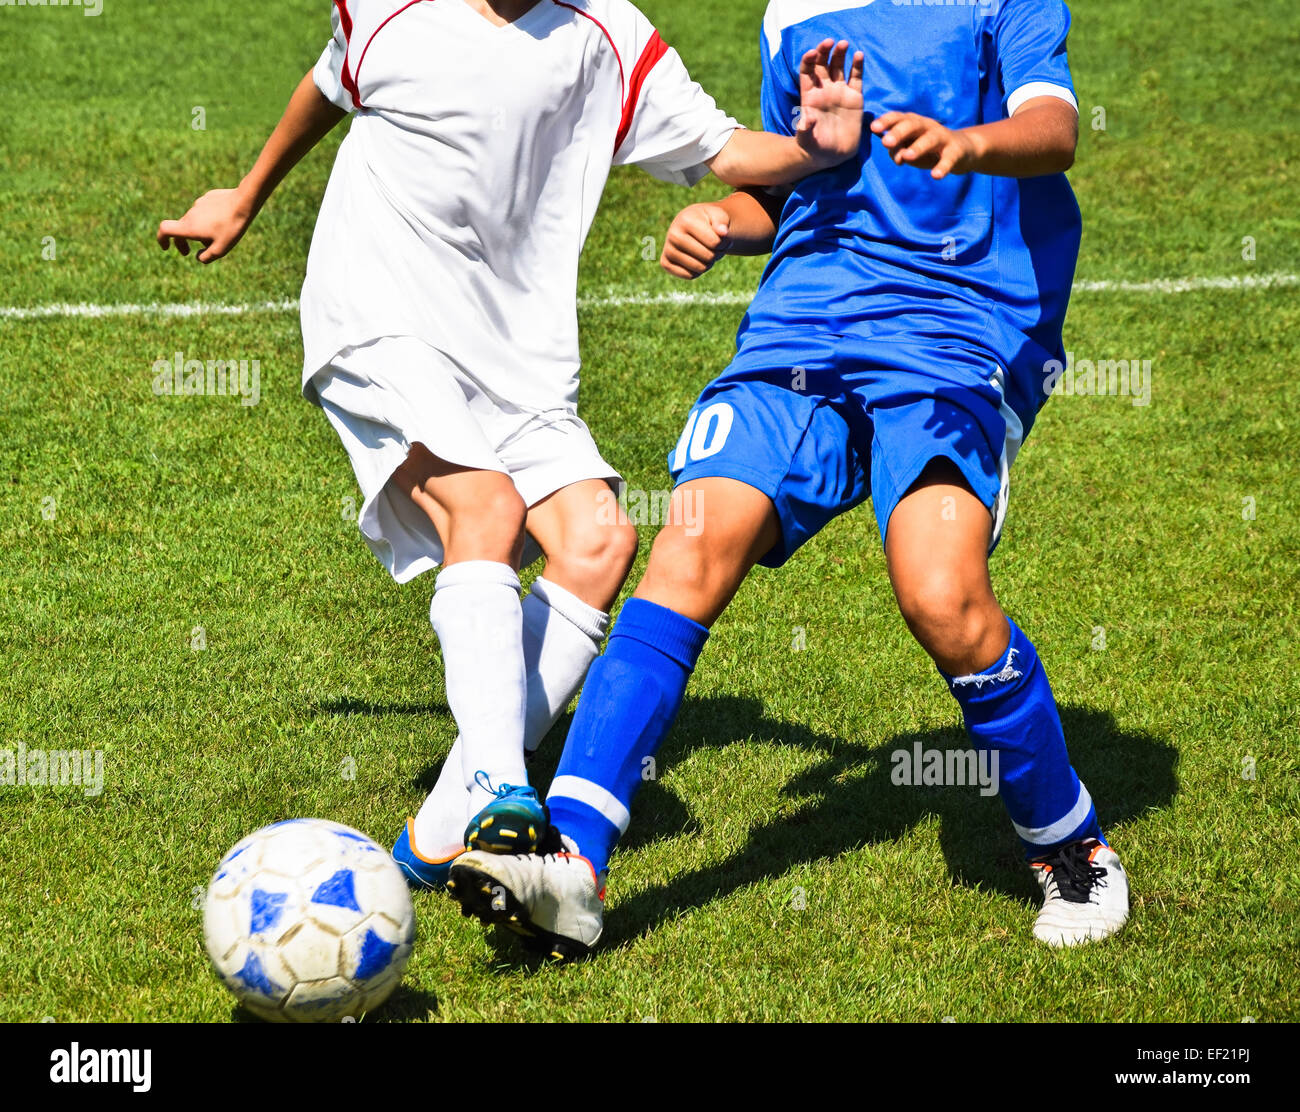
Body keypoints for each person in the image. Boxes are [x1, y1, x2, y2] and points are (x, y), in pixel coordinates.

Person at [449, 0, 1130, 957]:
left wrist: (966, 145)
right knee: (690, 546)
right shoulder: (794, 14)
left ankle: (1070, 845)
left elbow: (1053, 134)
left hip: (956, 323)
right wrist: (723, 220)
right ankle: (573, 863)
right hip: (803, 322)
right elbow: (791, 179)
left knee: (941, 594)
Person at [156, 0, 864, 887]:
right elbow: (328, 83)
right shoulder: (388, 6)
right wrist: (245, 195)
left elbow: (725, 150)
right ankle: (503, 785)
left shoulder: (607, 35)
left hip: (515, 354)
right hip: (379, 312)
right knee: (483, 505)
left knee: (598, 541)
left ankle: (442, 830)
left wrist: (818, 150)